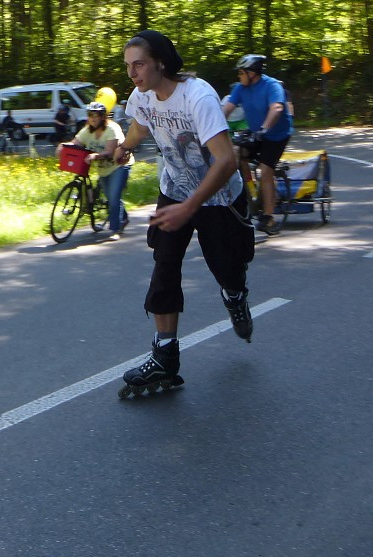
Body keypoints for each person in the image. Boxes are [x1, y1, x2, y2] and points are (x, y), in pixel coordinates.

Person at [112, 30, 255, 396]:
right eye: (128, 66)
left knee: (226, 267)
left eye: (139, 64)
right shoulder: (143, 95)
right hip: (173, 189)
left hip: (218, 198)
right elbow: (141, 123)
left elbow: (226, 160)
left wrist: (191, 207)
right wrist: (125, 147)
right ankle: (164, 357)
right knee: (165, 263)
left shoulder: (198, 97)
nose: (133, 74)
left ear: (161, 61)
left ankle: (235, 296)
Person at [223, 54, 294, 236]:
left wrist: (264, 129)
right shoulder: (241, 88)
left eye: (241, 72)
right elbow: (227, 108)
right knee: (235, 152)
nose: (239, 76)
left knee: (266, 169)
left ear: (252, 73)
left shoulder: (272, 86)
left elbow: (277, 108)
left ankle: (268, 217)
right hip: (256, 132)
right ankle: (247, 192)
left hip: (276, 135)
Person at [57, 101, 132, 240]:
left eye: (96, 115)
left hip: (119, 165)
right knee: (111, 197)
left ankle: (115, 229)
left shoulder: (111, 129)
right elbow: (75, 143)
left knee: (114, 197)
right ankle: (124, 219)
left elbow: (110, 152)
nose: (93, 118)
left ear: (103, 117)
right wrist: (63, 146)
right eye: (90, 115)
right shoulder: (87, 130)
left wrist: (96, 155)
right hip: (103, 169)